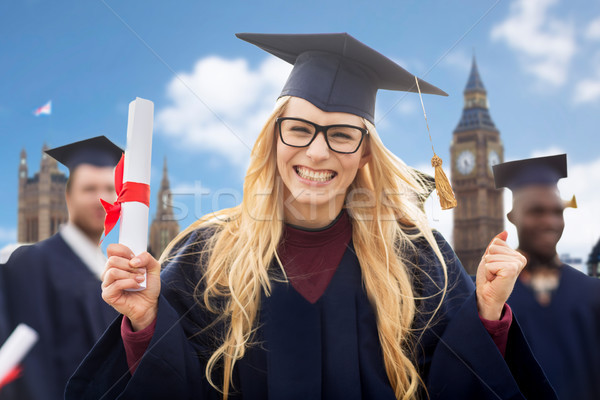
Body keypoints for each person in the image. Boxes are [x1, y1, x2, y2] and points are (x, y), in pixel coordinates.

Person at [66, 33, 556, 399]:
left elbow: (454, 378)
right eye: (299, 129)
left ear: (365, 153)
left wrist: (488, 312)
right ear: (273, 137)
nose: (318, 153)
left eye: (342, 134)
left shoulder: (418, 258)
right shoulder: (207, 255)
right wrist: (147, 322)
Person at [0, 136, 121, 400]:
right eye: (89, 189)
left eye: (109, 189)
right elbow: (30, 370)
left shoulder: (116, 272)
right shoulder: (28, 263)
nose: (101, 199)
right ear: (67, 197)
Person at [494, 154, 600, 400]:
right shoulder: (490, 298)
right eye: (536, 211)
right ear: (512, 217)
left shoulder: (593, 293)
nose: (550, 222)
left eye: (556, 211)